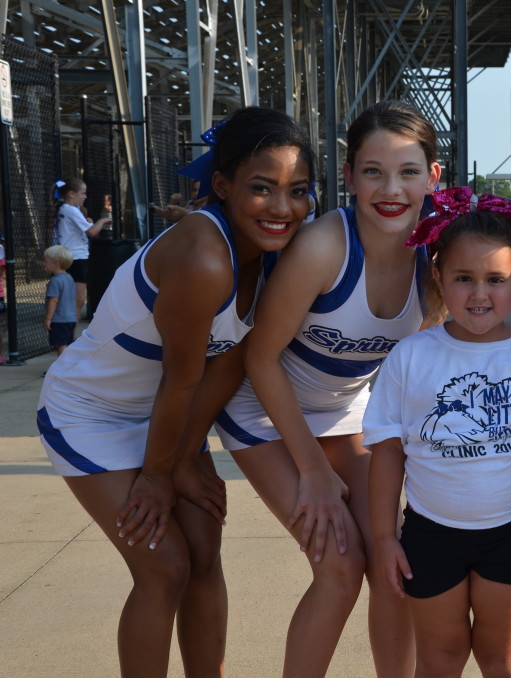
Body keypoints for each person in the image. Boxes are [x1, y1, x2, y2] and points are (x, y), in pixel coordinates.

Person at [35, 106, 315, 678]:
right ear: (223, 184)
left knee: (205, 555)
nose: (283, 207)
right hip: (90, 412)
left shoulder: (276, 251)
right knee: (164, 566)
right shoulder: (203, 256)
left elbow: (231, 362)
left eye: (299, 190)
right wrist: (163, 474)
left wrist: (185, 457)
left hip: (170, 417)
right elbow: (181, 377)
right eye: (262, 188)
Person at [213, 101, 442, 677]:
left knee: (396, 565)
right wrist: (312, 471)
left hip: (347, 410)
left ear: (434, 177)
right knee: (340, 570)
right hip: (266, 409)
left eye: (409, 171)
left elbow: (429, 360)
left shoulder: (437, 256)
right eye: (373, 171)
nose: (391, 188)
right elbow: (261, 359)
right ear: (349, 177)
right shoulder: (323, 248)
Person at [364, 188, 511, 677]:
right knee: (440, 659)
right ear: (438, 276)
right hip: (429, 535)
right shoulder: (411, 357)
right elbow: (388, 453)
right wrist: (383, 537)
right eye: (463, 278)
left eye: (496, 280)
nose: (480, 294)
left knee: (503, 661)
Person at [51, 178, 112, 320]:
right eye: (82, 193)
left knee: (75, 300)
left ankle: (69, 334)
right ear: (72, 194)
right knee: (78, 300)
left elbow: (78, 229)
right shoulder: (71, 210)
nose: (85, 196)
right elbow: (91, 232)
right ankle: (68, 334)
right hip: (74, 258)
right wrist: (102, 221)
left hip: (72, 257)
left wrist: (88, 222)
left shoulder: (67, 209)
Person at [42, 245, 77, 355]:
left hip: (59, 320)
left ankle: (63, 369)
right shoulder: (69, 278)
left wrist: (48, 318)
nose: (44, 264)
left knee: (61, 345)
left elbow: (53, 300)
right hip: (70, 318)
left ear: (56, 263)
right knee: (67, 343)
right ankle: (66, 367)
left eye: (46, 261)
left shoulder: (55, 281)